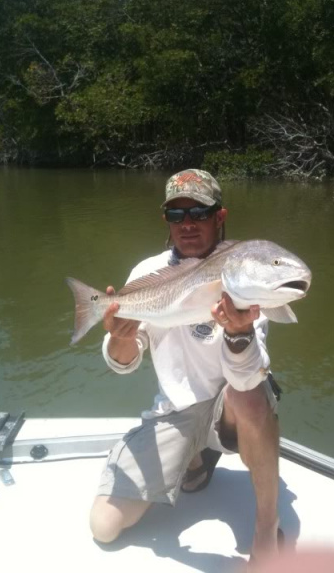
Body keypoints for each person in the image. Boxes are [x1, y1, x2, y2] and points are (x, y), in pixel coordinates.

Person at [89, 169, 281, 561]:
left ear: (220, 216)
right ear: (167, 222)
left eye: (199, 212)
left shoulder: (245, 272)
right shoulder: (147, 274)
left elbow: (247, 377)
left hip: (232, 406)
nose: (188, 224)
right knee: (104, 527)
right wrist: (122, 337)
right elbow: (124, 362)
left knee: (248, 396)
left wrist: (238, 333)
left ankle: (266, 530)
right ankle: (195, 456)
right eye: (177, 215)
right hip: (175, 410)